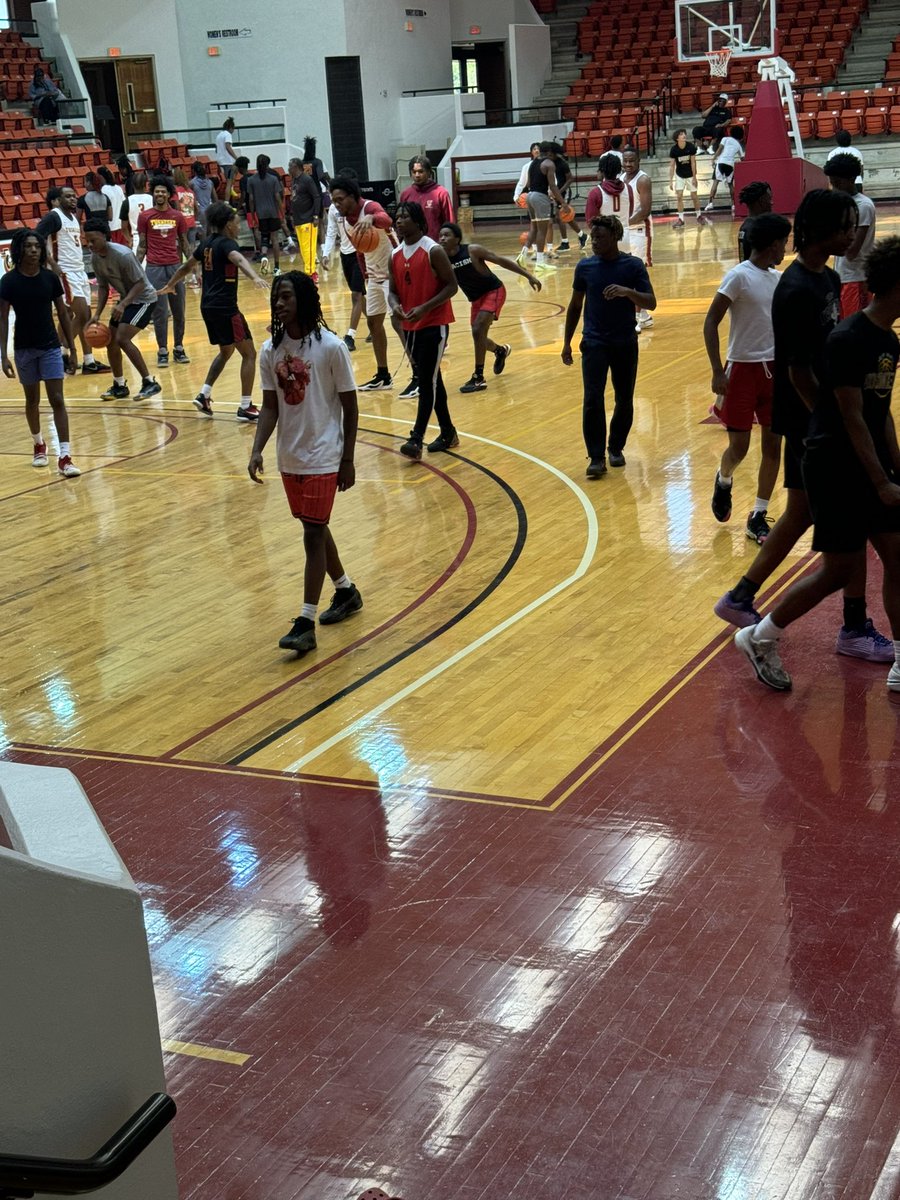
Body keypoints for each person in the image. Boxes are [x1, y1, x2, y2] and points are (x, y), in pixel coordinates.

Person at [714, 189, 892, 665]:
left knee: (807, 513)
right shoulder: (794, 289)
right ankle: (850, 624)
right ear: (824, 231)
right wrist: (829, 421)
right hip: (809, 422)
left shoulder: (829, 278)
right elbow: (797, 371)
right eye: (847, 226)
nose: (855, 234)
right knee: (835, 521)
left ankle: (742, 595)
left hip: (820, 420)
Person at [248, 272, 362, 655]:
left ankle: (304, 622)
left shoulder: (331, 348)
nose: (278, 304)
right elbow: (269, 407)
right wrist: (257, 449)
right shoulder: (270, 351)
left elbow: (350, 404)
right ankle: (345, 591)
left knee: (312, 533)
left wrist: (347, 458)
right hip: (290, 456)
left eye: (285, 297)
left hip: (325, 454)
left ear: (304, 301)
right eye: (276, 298)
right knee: (315, 526)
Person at [704, 213, 792, 543]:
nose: (787, 247)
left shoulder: (781, 278)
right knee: (738, 448)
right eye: (784, 241)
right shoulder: (738, 277)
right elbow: (711, 322)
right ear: (772, 244)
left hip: (774, 370)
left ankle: (758, 514)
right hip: (741, 371)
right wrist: (716, 370)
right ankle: (724, 477)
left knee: (773, 445)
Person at [561, 214, 656, 478]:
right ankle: (595, 457)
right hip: (593, 342)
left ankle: (615, 447)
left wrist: (627, 292)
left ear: (615, 237)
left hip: (625, 342)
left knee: (624, 399)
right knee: (592, 399)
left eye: (600, 237)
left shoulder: (633, 266)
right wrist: (567, 342)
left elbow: (651, 302)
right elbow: (575, 305)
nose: (595, 242)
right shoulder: (585, 267)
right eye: (593, 237)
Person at [159, 201, 268, 420]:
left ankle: (204, 394)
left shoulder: (205, 244)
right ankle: (246, 406)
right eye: (236, 223)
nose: (238, 227)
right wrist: (254, 276)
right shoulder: (228, 244)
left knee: (226, 351)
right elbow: (237, 259)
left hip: (207, 306)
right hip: (225, 307)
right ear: (228, 224)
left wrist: (171, 284)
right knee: (249, 353)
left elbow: (185, 266)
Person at [0, 228, 80, 477]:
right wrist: (3, 355)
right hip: (23, 348)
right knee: (32, 400)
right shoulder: (9, 282)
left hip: (50, 347)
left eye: (37, 246)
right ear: (19, 250)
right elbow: (2, 320)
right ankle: (38, 443)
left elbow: (64, 314)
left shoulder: (49, 279)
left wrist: (72, 348)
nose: (34, 250)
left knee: (57, 399)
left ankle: (65, 456)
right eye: (28, 246)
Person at [388, 201, 458, 459]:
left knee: (426, 380)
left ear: (418, 221)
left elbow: (452, 286)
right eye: (397, 216)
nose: (399, 220)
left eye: (405, 216)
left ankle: (416, 439)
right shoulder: (394, 254)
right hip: (410, 325)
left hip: (435, 324)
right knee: (432, 378)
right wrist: (395, 307)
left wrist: (425, 308)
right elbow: (393, 292)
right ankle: (448, 431)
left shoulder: (433, 250)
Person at [438, 221, 541, 392]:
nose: (442, 238)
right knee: (479, 336)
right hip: (475, 298)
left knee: (478, 329)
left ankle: (478, 377)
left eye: (446, 235)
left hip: (493, 291)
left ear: (457, 239)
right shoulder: (441, 258)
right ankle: (500, 351)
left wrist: (528, 275)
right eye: (440, 235)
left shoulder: (472, 250)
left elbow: (501, 261)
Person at [83, 217, 161, 401]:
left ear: (104, 236)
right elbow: (102, 288)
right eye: (87, 241)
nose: (90, 245)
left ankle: (150, 382)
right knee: (111, 341)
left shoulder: (123, 254)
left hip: (144, 299)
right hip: (126, 300)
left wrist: (123, 303)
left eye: (93, 240)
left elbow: (141, 283)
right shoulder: (96, 258)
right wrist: (96, 315)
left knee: (123, 339)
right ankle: (119, 385)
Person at [329, 174, 396, 391]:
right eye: (334, 200)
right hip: (375, 276)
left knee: (399, 323)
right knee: (374, 324)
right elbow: (360, 250)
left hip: (395, 271)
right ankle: (383, 375)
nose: (336, 204)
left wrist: (370, 219)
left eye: (340, 199)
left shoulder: (370, 206)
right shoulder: (343, 219)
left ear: (352, 196)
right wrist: (366, 275)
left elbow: (387, 220)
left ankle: (418, 375)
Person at [36, 185, 109, 375]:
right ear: (56, 200)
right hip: (65, 273)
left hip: (79, 271)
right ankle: (61, 355)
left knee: (67, 315)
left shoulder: (75, 218)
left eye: (74, 196)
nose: (73, 199)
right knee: (84, 315)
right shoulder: (53, 216)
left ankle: (87, 361)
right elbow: (36, 238)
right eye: (68, 196)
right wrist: (52, 263)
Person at [137, 175, 190, 368]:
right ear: (153, 194)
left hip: (175, 267)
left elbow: (184, 243)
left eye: (163, 191)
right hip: (154, 268)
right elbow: (142, 245)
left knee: (179, 311)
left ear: (169, 194)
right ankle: (162, 350)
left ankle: (178, 347)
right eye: (156, 191)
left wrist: (193, 268)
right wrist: (136, 269)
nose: (159, 194)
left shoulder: (177, 216)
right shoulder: (145, 216)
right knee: (159, 312)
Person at [824, 152, 876, 317]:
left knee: (857, 329)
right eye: (832, 183)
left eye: (837, 183)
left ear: (851, 179)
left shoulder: (863, 206)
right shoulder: (842, 203)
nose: (834, 188)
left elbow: (852, 251)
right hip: (843, 276)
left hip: (857, 278)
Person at [321, 167, 365, 353]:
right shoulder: (333, 209)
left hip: (361, 254)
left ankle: (350, 336)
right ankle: (373, 324)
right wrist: (326, 253)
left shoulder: (363, 207)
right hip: (345, 255)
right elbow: (331, 232)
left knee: (356, 295)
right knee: (359, 296)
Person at [621, 147, 654, 332]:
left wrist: (624, 223)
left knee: (636, 273)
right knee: (628, 273)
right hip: (627, 231)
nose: (628, 164)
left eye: (631, 160)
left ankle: (635, 318)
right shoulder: (620, 178)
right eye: (625, 161)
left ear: (638, 160)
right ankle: (644, 315)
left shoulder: (643, 180)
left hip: (641, 230)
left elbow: (645, 210)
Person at [525, 141, 567, 268]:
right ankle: (540, 263)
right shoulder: (549, 163)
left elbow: (528, 184)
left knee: (534, 228)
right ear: (549, 151)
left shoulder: (533, 163)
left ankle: (523, 255)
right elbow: (553, 186)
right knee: (542, 231)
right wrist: (563, 203)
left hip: (530, 196)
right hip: (540, 197)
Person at [399, 156, 454, 242]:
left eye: (421, 171)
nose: (417, 175)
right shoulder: (405, 194)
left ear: (429, 172)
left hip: (434, 245)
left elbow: (449, 222)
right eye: (414, 172)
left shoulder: (441, 193)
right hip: (412, 245)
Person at [585, 154, 635, 246]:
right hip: (626, 238)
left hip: (605, 241)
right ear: (619, 169)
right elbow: (630, 213)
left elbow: (591, 222)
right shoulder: (629, 188)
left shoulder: (595, 192)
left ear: (601, 171)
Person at [246, 155, 284, 276]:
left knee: (264, 237)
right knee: (275, 239)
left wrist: (253, 215)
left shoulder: (251, 180)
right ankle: (277, 268)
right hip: (273, 212)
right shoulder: (273, 179)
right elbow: (278, 197)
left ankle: (264, 257)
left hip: (261, 213)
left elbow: (251, 200)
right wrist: (282, 213)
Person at [288, 157, 322, 280]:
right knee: (303, 249)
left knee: (310, 248)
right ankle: (309, 271)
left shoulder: (307, 179)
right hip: (298, 219)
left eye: (289, 166)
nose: (288, 169)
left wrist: (316, 216)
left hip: (309, 219)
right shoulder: (294, 180)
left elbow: (317, 197)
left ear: (295, 167)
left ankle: (311, 272)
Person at [552, 147, 587, 252]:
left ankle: (565, 242)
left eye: (549, 154)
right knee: (566, 217)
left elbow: (570, 178)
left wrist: (560, 191)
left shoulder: (562, 164)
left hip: (564, 192)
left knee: (560, 217)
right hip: (556, 193)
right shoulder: (549, 163)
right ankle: (582, 235)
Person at [668, 129, 704, 228]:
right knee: (679, 196)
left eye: (684, 134)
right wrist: (671, 181)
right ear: (677, 138)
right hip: (679, 175)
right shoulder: (674, 150)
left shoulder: (690, 147)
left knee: (694, 196)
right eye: (681, 134)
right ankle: (680, 219)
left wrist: (694, 177)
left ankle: (699, 216)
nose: (684, 135)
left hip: (690, 175)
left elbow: (693, 162)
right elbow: (671, 166)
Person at [513, 143, 542, 261]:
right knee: (534, 226)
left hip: (544, 197)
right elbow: (521, 183)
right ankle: (535, 251)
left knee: (547, 225)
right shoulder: (527, 166)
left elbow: (553, 181)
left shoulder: (547, 164)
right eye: (534, 149)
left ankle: (549, 249)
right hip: (533, 197)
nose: (536, 150)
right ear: (531, 152)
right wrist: (516, 196)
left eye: (538, 148)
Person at [706, 126, 745, 212]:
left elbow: (720, 149)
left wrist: (713, 158)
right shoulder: (738, 145)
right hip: (730, 165)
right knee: (731, 184)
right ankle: (733, 204)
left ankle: (710, 203)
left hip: (721, 162)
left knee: (715, 183)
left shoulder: (725, 139)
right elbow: (742, 158)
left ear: (731, 132)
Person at [737, 181, 773, 262]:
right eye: (769, 199)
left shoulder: (745, 226)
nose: (772, 203)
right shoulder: (757, 228)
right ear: (761, 201)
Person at [120, 171, 153, 254]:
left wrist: (129, 240)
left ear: (133, 185)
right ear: (146, 185)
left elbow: (123, 227)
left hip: (137, 237)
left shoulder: (127, 202)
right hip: (153, 236)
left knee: (139, 265)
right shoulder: (153, 199)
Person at [97, 166, 127, 245]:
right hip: (121, 225)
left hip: (110, 227)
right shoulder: (118, 188)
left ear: (100, 177)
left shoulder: (103, 190)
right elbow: (124, 204)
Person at [172, 167, 198, 254]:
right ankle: (193, 266)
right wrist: (194, 218)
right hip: (192, 222)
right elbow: (196, 208)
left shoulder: (175, 191)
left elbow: (177, 208)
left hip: (182, 223)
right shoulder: (190, 191)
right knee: (192, 247)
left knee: (181, 247)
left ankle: (182, 266)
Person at [189, 161, 215, 238]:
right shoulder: (210, 182)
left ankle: (204, 249)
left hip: (199, 211)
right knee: (210, 234)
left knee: (202, 235)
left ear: (194, 171)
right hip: (210, 210)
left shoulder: (192, 183)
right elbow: (215, 198)